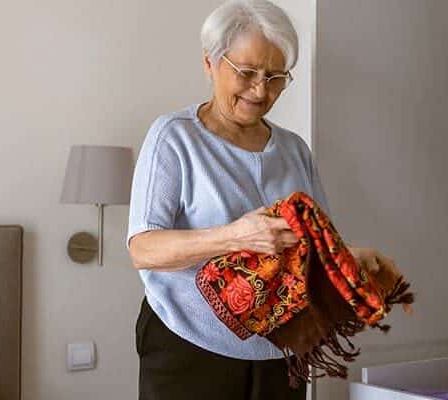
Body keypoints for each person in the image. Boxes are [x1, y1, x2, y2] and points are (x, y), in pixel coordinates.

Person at [126, 1, 399, 398]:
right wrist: (236, 236)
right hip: (188, 344)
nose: (260, 90)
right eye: (247, 73)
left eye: (274, 77)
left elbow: (313, 247)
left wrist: (353, 258)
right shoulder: (174, 137)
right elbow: (143, 248)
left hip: (281, 348)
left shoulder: (293, 150)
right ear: (210, 63)